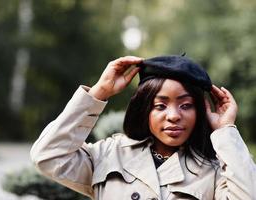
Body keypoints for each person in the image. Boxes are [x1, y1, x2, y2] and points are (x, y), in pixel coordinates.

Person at [30, 55, 256, 200]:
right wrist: (99, 93)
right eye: (160, 105)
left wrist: (225, 129)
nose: (174, 116)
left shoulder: (213, 171)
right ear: (145, 110)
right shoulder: (109, 154)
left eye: (186, 105)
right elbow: (48, 155)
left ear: (200, 111)